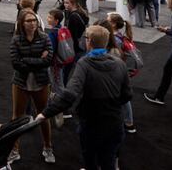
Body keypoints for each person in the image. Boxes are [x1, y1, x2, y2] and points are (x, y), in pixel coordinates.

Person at [36, 25, 132, 170]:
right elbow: (127, 95)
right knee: (109, 161)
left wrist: (45, 113)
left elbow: (70, 94)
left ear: (89, 41)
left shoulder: (85, 64)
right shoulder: (120, 63)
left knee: (90, 160)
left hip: (92, 123)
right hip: (115, 123)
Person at [9, 8, 55, 165]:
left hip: (41, 82)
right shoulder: (16, 40)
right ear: (22, 23)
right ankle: (14, 150)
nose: (32, 23)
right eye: (29, 21)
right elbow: (16, 63)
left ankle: (48, 147)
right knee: (17, 117)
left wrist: (26, 60)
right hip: (21, 82)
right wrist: (37, 60)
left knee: (43, 116)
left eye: (34, 20)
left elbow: (48, 60)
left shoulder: (44, 37)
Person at [107, 13, 137, 134]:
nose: (106, 22)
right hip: (121, 70)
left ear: (113, 24)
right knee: (122, 96)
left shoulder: (116, 40)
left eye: (108, 20)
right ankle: (128, 121)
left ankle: (128, 122)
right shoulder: (120, 36)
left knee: (122, 97)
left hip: (116, 72)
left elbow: (114, 58)